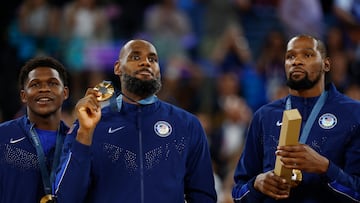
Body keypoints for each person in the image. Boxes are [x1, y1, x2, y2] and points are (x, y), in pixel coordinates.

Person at [53, 39, 217, 202]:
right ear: (117, 68)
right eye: (135, 57)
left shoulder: (187, 125)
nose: (146, 63)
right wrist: (84, 133)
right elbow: (66, 197)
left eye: (152, 59)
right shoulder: (89, 124)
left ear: (159, 71)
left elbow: (203, 196)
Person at [232, 34, 360, 202]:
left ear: (326, 64)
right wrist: (256, 184)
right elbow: (237, 193)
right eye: (290, 56)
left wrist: (326, 169)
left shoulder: (353, 114)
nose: (296, 61)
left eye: (307, 55)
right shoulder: (264, 116)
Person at [0, 56, 69, 202]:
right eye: (35, 85)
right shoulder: (3, 136)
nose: (44, 89)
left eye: (52, 83)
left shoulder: (75, 142)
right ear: (23, 96)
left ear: (65, 93)